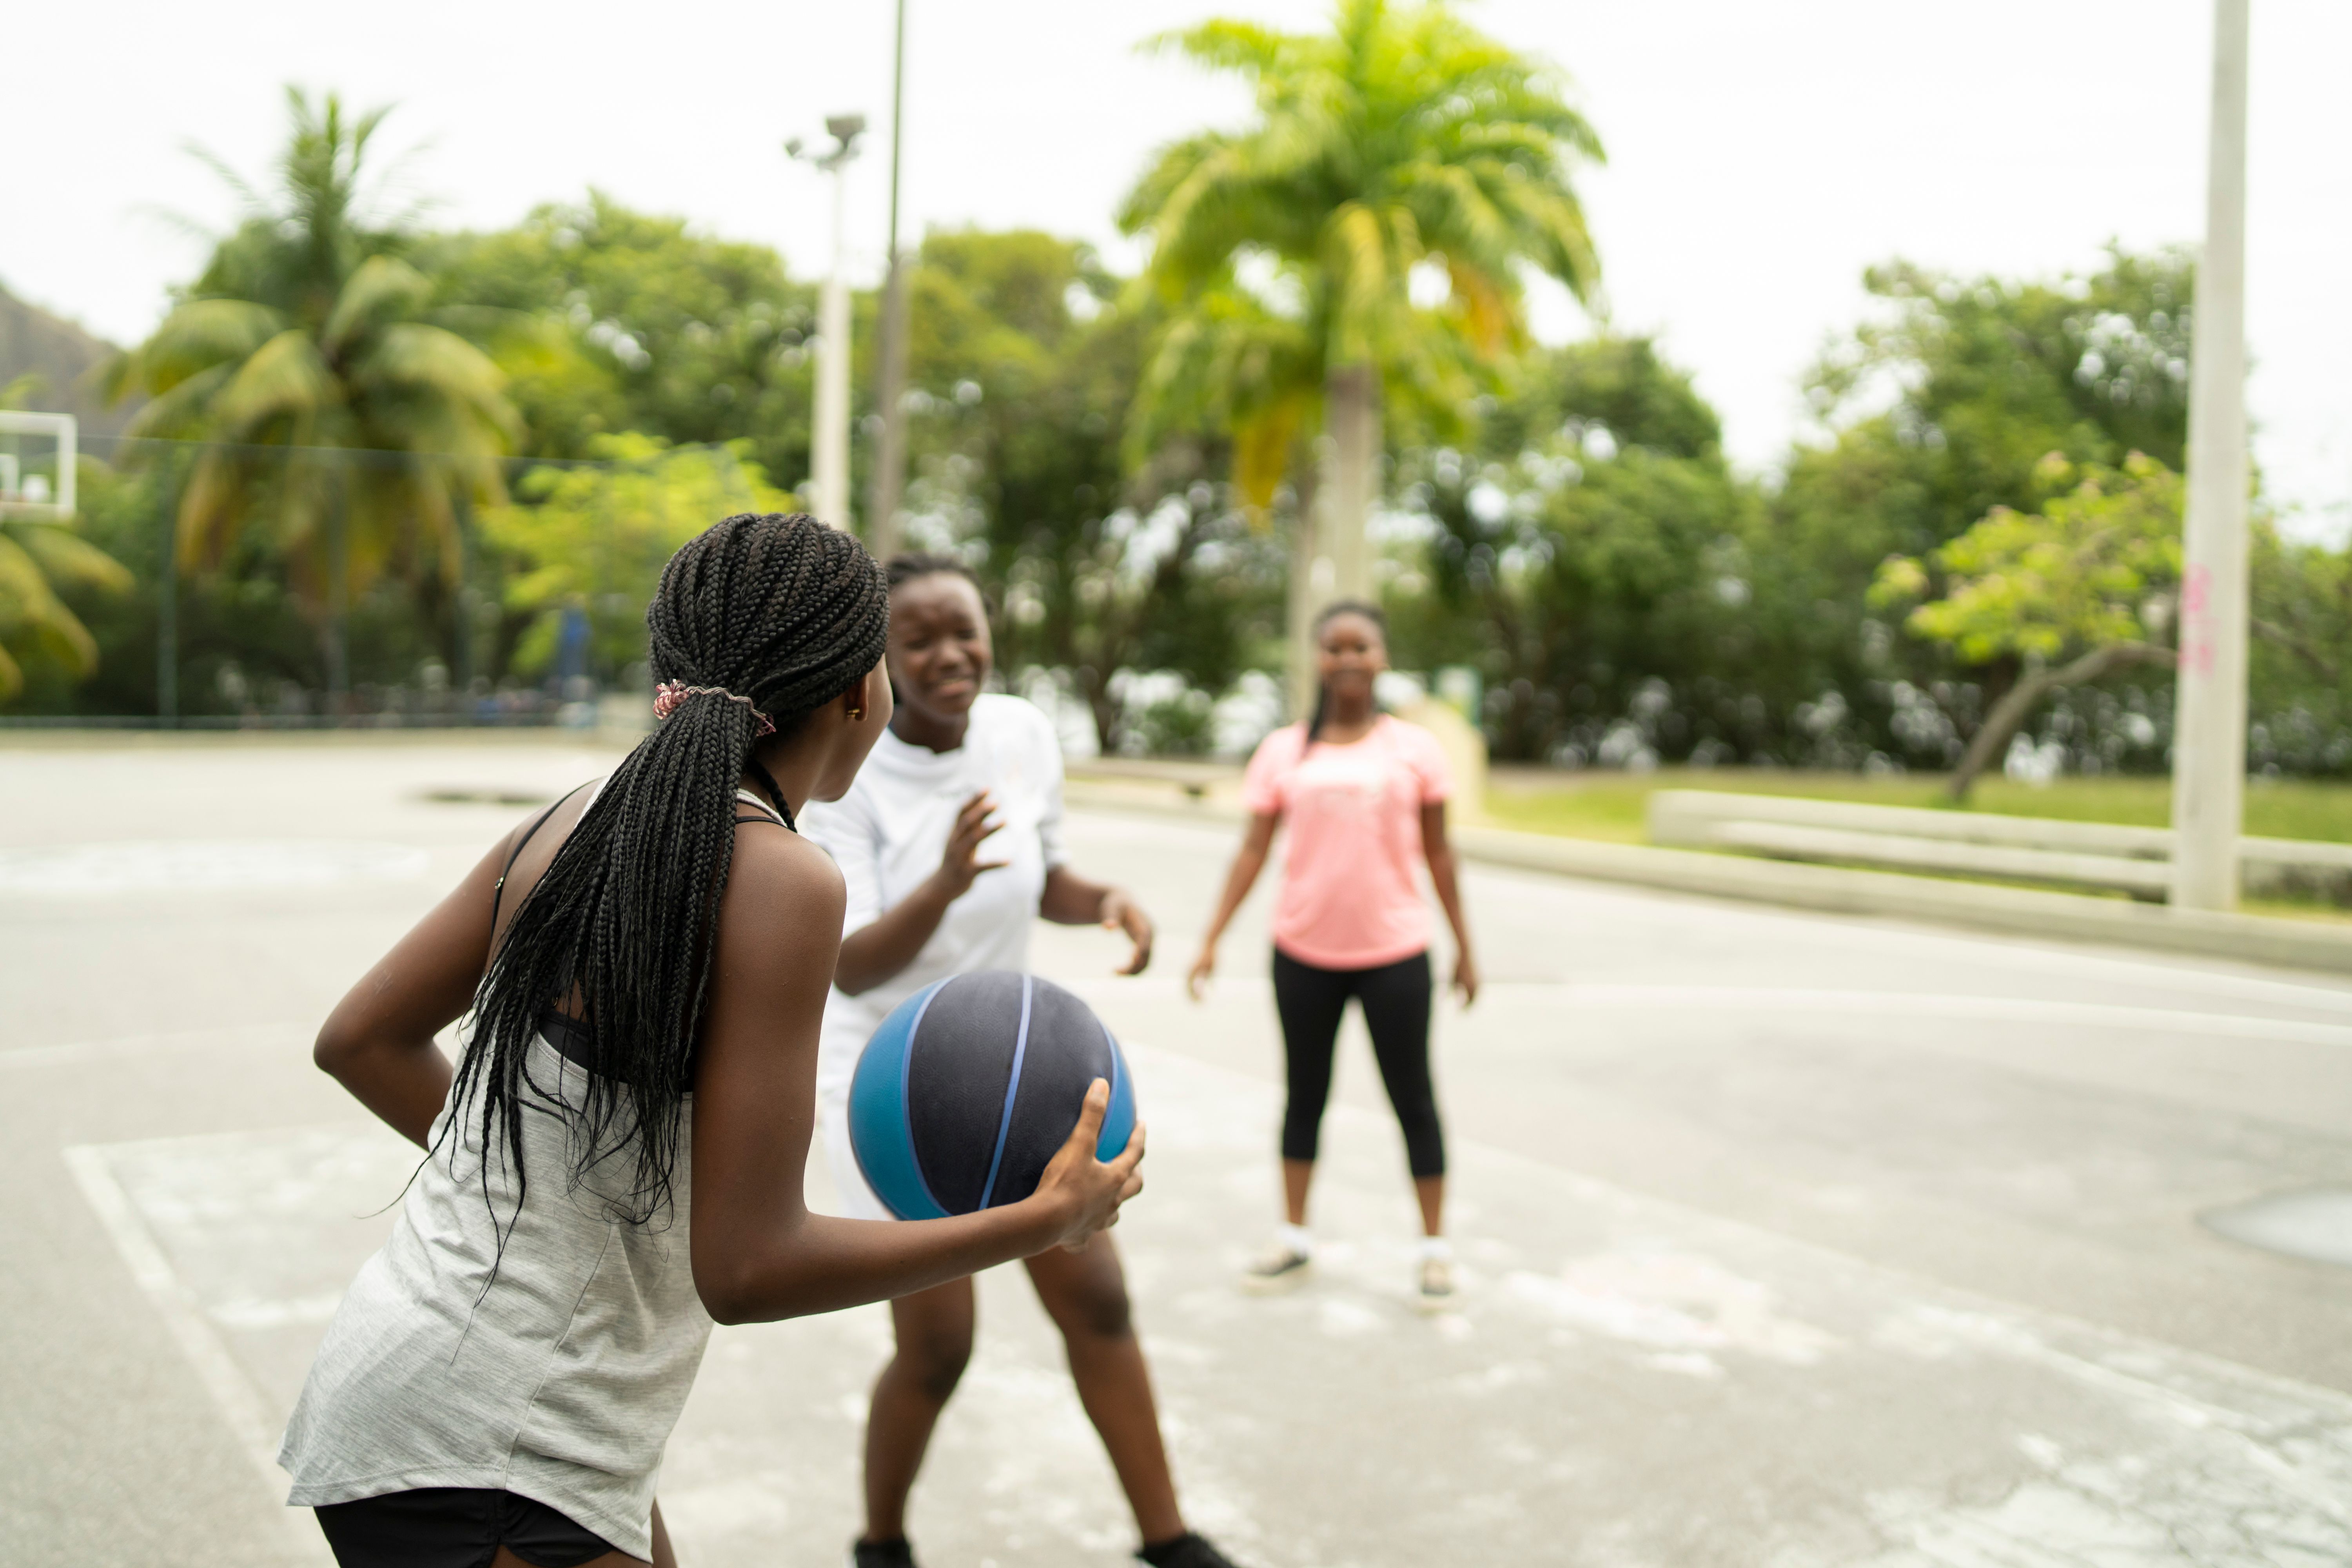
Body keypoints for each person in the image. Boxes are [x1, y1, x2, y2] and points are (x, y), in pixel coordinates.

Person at [278, 514, 1144, 1568]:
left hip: (433, 1387)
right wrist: (1041, 1220)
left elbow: (360, 1040)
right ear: (857, 693)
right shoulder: (784, 880)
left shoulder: (574, 813)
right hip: (495, 1440)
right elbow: (747, 1270)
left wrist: (540, 1180)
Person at [802, 553, 1243, 1568]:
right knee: (941, 1347)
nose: (950, 653)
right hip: (895, 1086)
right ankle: (882, 1543)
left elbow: (1044, 876)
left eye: (965, 629)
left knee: (1099, 1299)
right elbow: (853, 968)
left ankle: (1169, 1542)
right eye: (919, 640)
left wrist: (1103, 903)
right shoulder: (849, 775)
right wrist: (945, 882)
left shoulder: (1020, 734)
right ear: (879, 664)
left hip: (1017, 1065)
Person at [1186, 600, 1478, 1307]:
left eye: (1362, 647)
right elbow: (1254, 848)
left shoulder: (1414, 750)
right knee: (1304, 1096)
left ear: (1382, 657)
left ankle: (1434, 1250)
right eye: (1335, 648)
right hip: (1304, 953)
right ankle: (1293, 1237)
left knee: (1414, 1099)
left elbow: (1439, 852)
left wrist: (1465, 947)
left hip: (1396, 954)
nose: (1348, 659)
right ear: (1318, 659)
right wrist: (1212, 936)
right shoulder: (1286, 751)